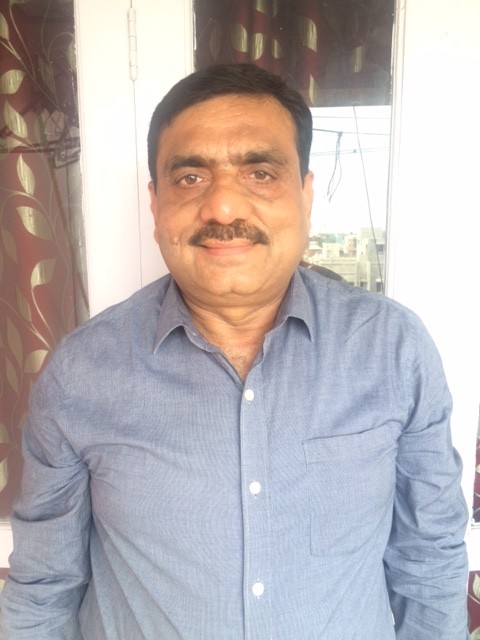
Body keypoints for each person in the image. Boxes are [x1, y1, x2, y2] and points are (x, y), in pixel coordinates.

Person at [0, 63, 469, 639]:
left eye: (260, 172)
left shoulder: (392, 350)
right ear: (155, 205)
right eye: (190, 177)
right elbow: (44, 589)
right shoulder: (81, 373)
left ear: (305, 196)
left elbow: (428, 562)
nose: (223, 207)